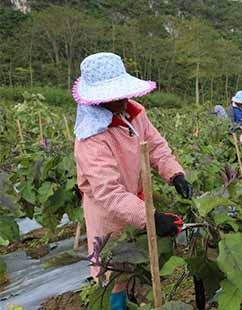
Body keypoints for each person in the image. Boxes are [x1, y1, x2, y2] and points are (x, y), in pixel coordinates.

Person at [72, 52, 193, 310]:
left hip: (135, 201)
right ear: (97, 100)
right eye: (113, 97)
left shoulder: (135, 114)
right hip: (107, 213)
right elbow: (109, 194)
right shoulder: (90, 139)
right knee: (112, 271)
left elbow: (156, 146)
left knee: (139, 263)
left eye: (122, 94)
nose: (122, 101)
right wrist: (151, 217)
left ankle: (137, 299)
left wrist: (175, 173)